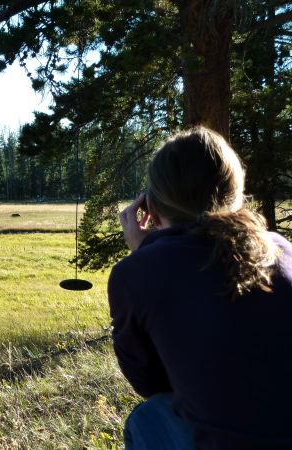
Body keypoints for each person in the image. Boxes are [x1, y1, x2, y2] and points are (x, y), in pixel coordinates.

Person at [108, 126, 292, 450]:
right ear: (236, 193)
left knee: (148, 416)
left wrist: (143, 254)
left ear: (149, 206)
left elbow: (150, 381)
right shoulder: (281, 249)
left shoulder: (136, 272)